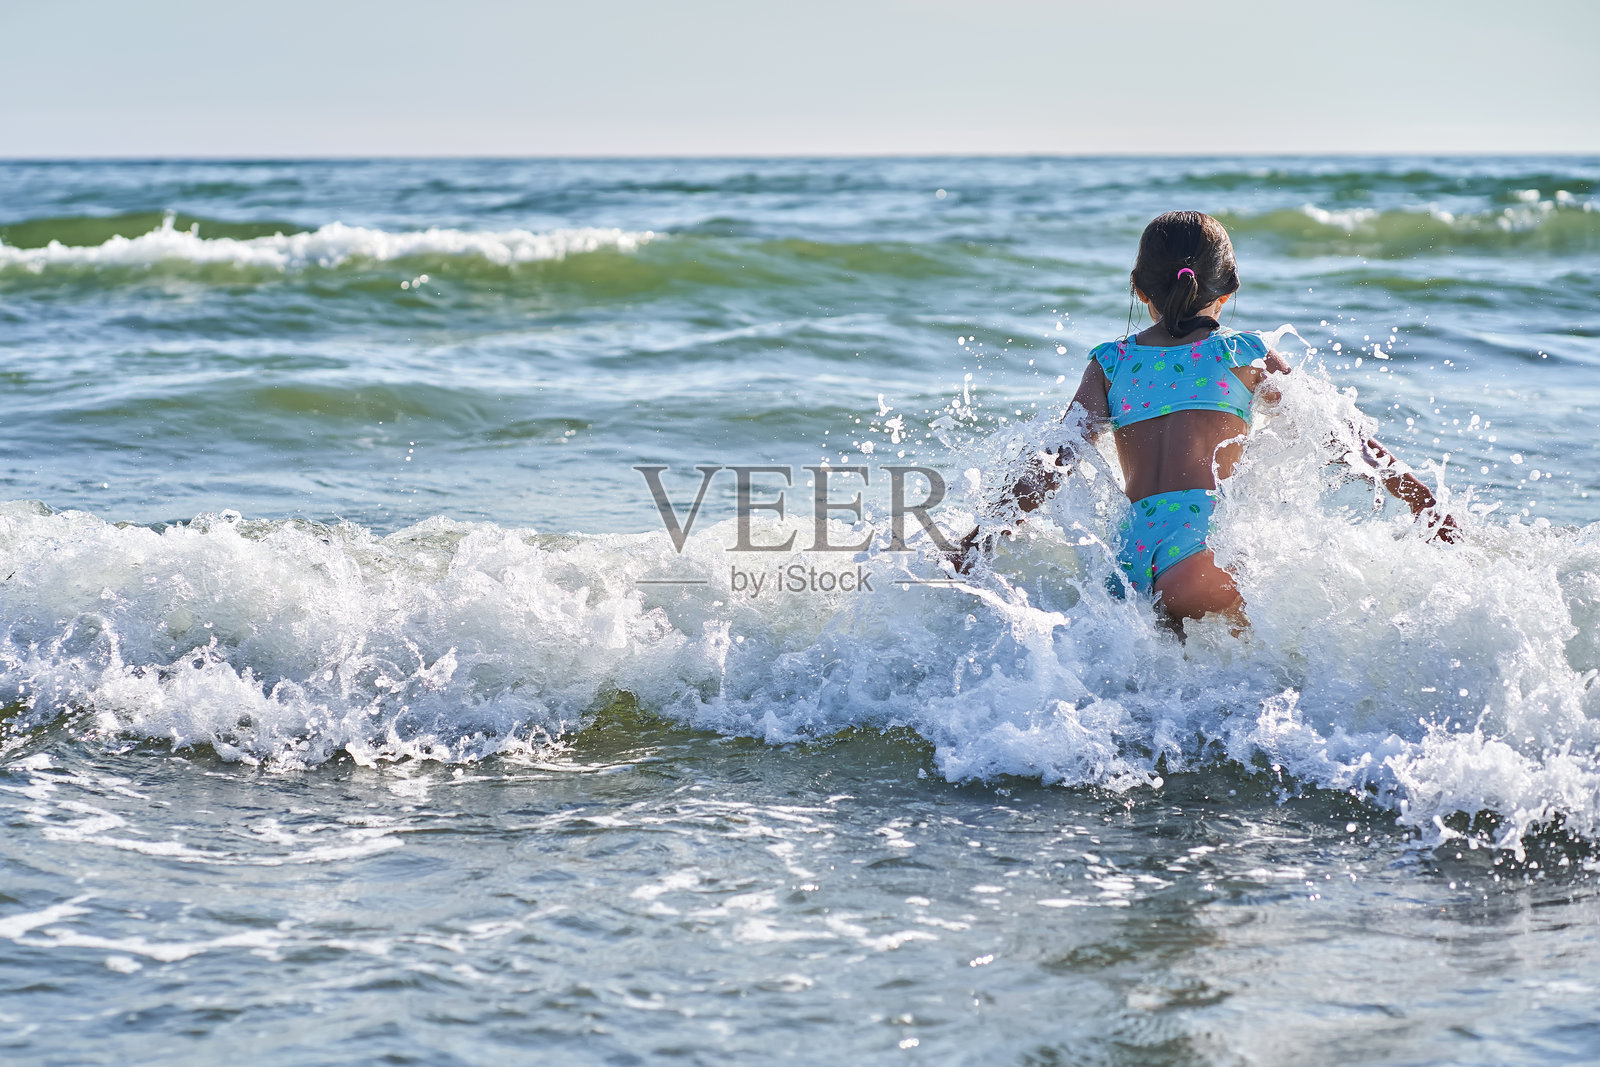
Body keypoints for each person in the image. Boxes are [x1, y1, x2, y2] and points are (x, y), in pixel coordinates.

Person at [952, 210, 1456, 631]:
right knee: (1247, 700)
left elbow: (1056, 461)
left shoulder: (1110, 362)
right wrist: (1428, 508)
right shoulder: (1244, 352)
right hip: (1200, 547)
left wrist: (978, 539)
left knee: (1154, 709)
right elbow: (1345, 440)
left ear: (1138, 288)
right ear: (1230, 287)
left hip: (1128, 558)